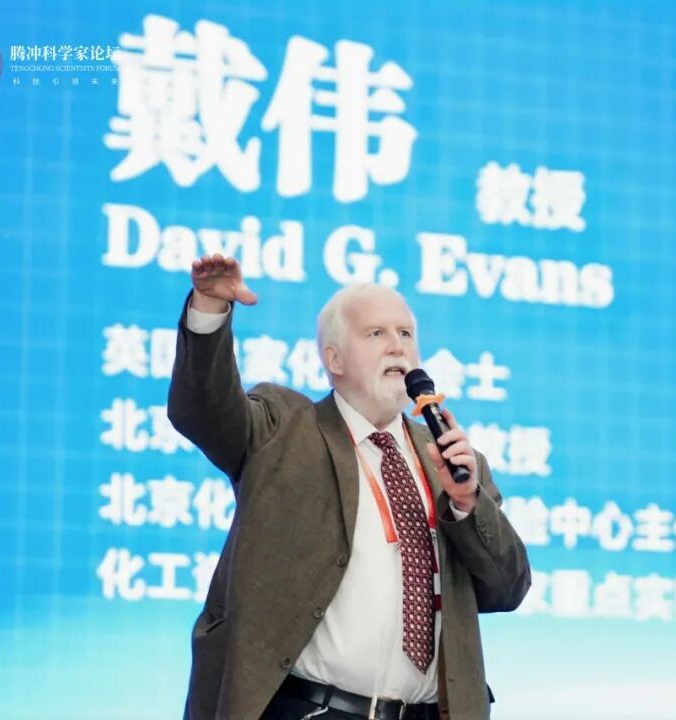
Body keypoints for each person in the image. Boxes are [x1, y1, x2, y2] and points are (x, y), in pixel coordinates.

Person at [169, 253, 531, 720]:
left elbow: (508, 588)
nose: (397, 347)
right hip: (313, 709)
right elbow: (203, 411)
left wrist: (467, 504)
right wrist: (209, 311)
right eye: (376, 334)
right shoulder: (284, 429)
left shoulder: (451, 460)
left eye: (406, 334)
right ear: (333, 359)